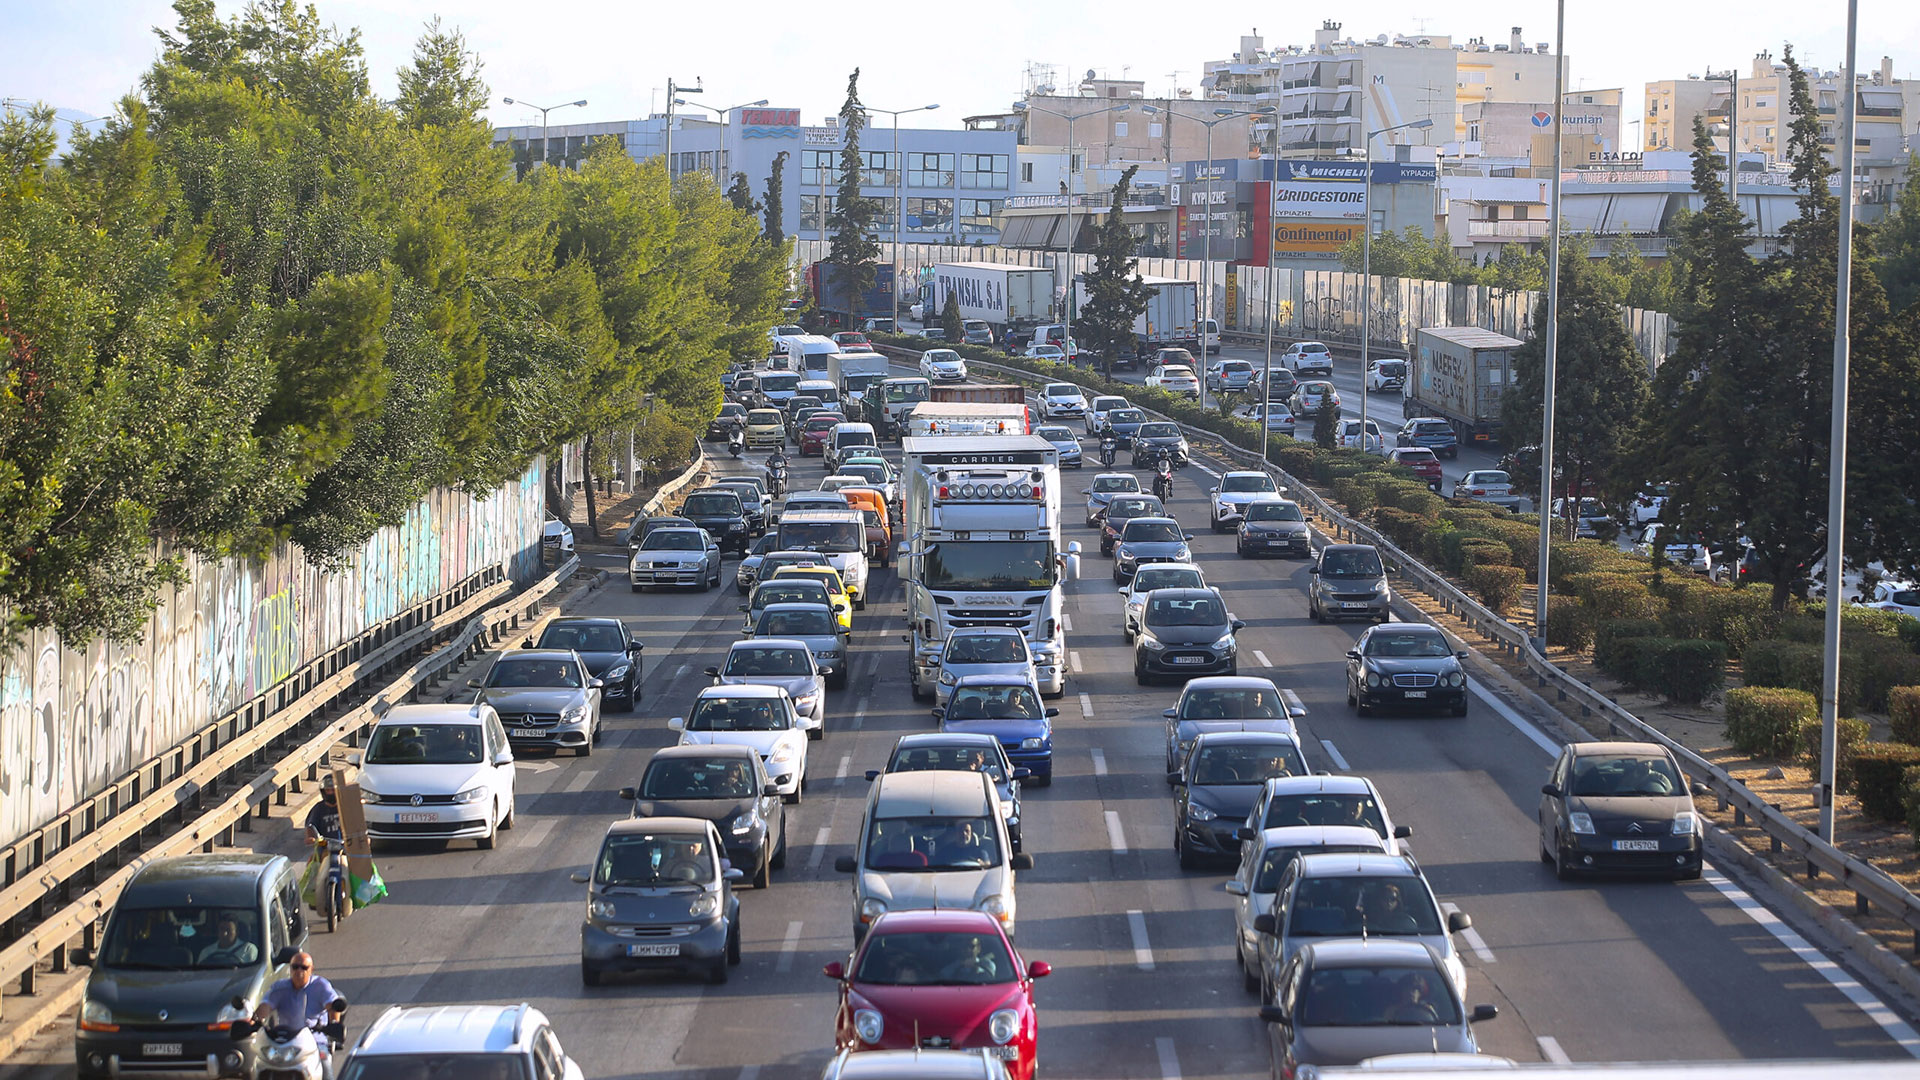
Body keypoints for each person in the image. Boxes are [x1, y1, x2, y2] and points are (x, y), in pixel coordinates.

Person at [257, 952, 345, 1032]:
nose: (299, 971)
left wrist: (334, 1025)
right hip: (286, 1038)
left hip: (316, 1038)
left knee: (322, 1050)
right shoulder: (279, 987)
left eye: (304, 967)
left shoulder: (321, 986)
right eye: (295, 967)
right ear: (290, 968)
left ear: (311, 970)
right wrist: (256, 1021)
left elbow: (332, 1006)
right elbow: (266, 1005)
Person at [305, 775, 343, 845]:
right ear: (323, 791)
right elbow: (310, 826)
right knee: (313, 856)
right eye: (328, 790)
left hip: (346, 847)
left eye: (333, 790)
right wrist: (311, 838)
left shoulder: (346, 806)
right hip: (324, 846)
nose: (331, 793)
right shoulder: (318, 809)